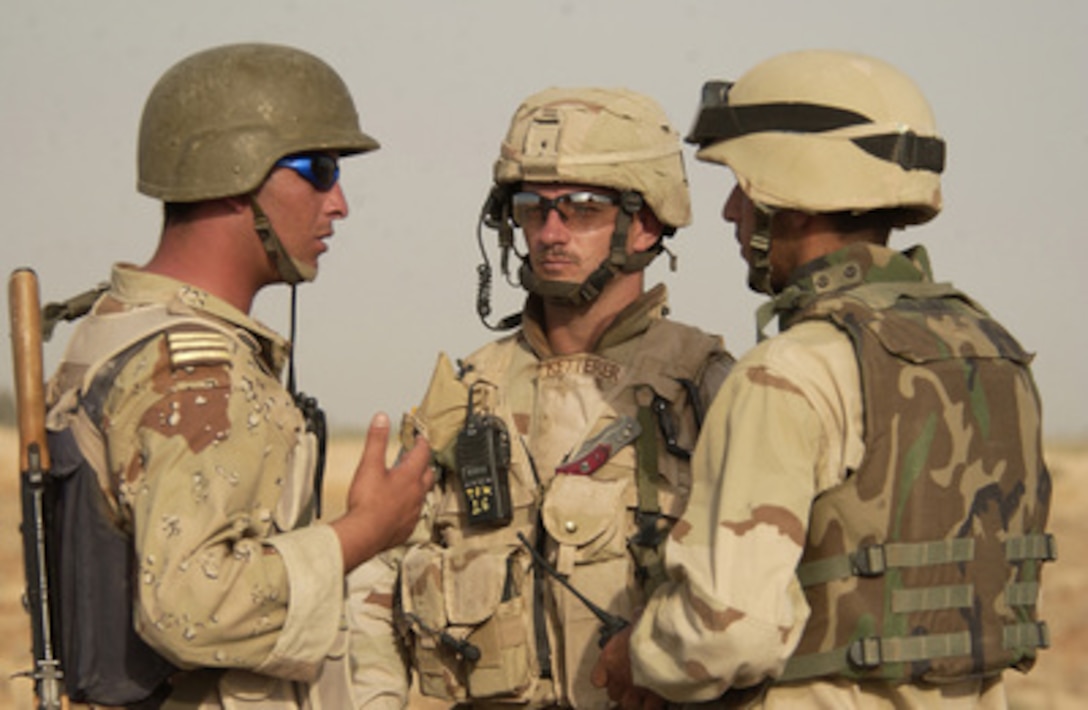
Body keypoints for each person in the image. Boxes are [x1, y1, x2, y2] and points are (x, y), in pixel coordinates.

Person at [591, 49, 1056, 709]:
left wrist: (640, 653)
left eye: (743, 188)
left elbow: (727, 635)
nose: (729, 212)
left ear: (792, 199)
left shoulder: (790, 372)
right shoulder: (996, 351)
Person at [40, 42, 433, 708]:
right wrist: (368, 530)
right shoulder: (196, 373)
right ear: (234, 171)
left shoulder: (117, 333)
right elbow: (193, 609)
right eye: (319, 168)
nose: (339, 204)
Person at [347, 87, 735, 709]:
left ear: (647, 222)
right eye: (533, 208)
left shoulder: (706, 388)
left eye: (582, 209)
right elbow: (378, 580)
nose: (551, 232)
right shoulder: (465, 397)